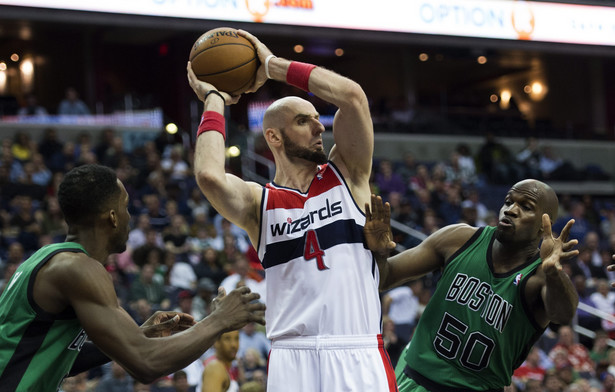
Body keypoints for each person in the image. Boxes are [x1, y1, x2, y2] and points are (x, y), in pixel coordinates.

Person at [187, 29, 396, 391]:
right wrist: (215, 100)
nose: (319, 126)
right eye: (303, 120)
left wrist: (271, 65)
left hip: (356, 348)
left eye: (317, 118)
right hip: (289, 357)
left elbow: (353, 98)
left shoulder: (346, 171)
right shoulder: (259, 202)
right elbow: (208, 174)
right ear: (274, 137)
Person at [0, 164, 265, 391]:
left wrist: (133, 337)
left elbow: (55, 354)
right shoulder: (78, 269)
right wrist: (218, 321)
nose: (131, 216)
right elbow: (146, 364)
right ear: (113, 218)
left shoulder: (46, 257)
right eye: (126, 207)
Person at [364, 179, 580, 392]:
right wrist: (381, 253)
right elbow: (385, 277)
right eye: (508, 201)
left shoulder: (540, 276)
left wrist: (554, 273)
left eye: (525, 207)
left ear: (545, 226)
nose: (511, 210)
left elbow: (563, 315)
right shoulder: (459, 239)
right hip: (415, 377)